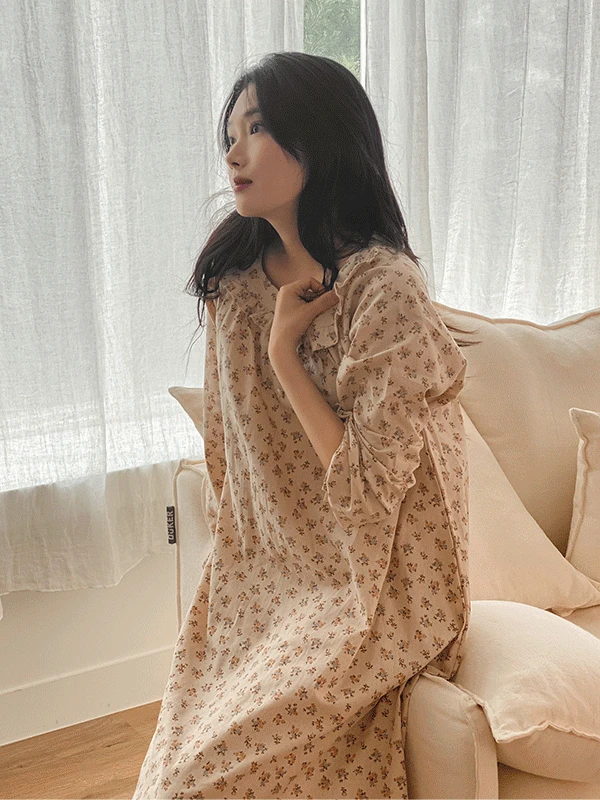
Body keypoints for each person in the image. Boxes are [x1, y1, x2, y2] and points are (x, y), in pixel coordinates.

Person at [133, 51, 478, 799]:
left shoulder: (384, 288)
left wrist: (285, 356)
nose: (233, 153)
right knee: (171, 775)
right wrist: (236, 583)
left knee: (200, 781)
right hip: (263, 575)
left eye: (256, 129)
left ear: (319, 141)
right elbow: (232, 461)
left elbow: (368, 494)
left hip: (383, 585)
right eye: (229, 134)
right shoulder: (232, 281)